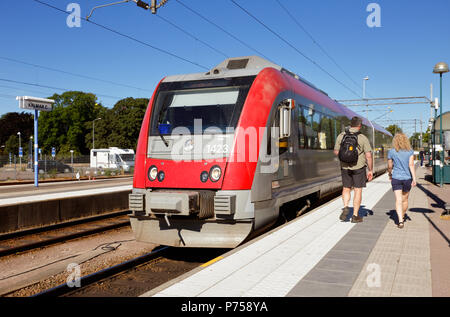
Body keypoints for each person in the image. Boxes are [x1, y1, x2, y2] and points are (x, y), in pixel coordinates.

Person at [334, 116, 373, 223]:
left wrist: (345, 155)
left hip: (345, 167)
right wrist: (370, 170)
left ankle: (346, 206)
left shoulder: (341, 135)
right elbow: (368, 156)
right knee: (357, 190)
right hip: (359, 167)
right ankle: (355, 216)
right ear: (359, 126)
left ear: (351, 124)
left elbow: (336, 152)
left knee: (346, 188)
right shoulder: (362, 137)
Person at [387, 133, 417, 229]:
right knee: (405, 200)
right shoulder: (410, 151)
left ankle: (400, 220)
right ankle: (402, 216)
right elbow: (411, 165)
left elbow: (389, 166)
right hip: (407, 179)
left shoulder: (391, 152)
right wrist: (414, 179)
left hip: (396, 178)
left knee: (398, 200)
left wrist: (390, 174)